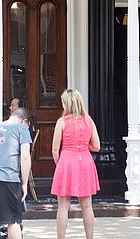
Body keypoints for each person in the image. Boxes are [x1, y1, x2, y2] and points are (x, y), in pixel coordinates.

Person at [51, 88, 101, 239]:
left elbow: (54, 149)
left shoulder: (62, 122)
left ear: (66, 103)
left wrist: (60, 165)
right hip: (85, 161)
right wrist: (85, 147)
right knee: (87, 206)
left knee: (63, 207)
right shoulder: (88, 120)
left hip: (67, 160)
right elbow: (97, 146)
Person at [0, 107, 32, 239]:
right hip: (7, 177)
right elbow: (25, 157)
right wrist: (25, 184)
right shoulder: (21, 129)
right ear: (24, 122)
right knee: (13, 220)